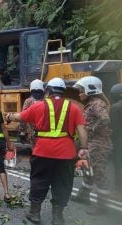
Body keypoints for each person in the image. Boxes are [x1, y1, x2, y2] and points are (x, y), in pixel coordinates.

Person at [6, 77, 87, 225]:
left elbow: (20, 117)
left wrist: (9, 116)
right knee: (62, 183)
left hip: (42, 152)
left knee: (39, 181)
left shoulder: (39, 106)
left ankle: (34, 214)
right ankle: (57, 217)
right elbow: (82, 130)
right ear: (63, 91)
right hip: (66, 154)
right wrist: (84, 148)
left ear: (48, 91)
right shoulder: (74, 108)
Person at [71, 76, 113, 215]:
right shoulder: (92, 103)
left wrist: (90, 129)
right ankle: (83, 196)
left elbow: (105, 120)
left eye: (81, 91)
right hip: (92, 144)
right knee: (88, 171)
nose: (79, 94)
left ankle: (103, 207)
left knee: (100, 174)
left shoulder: (97, 104)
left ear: (90, 89)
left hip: (98, 145)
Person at [18, 79, 45, 144]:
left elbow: (23, 118)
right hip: (46, 133)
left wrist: (22, 133)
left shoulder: (28, 101)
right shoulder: (46, 101)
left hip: (33, 133)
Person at [110, 84, 122, 193]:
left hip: (119, 141)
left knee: (118, 165)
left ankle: (119, 188)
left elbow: (113, 127)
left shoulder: (115, 108)